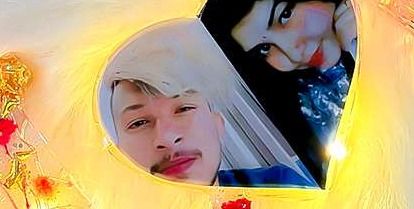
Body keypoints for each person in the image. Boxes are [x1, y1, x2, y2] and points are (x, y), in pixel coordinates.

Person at [200, 0, 356, 184]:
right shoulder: (305, 107)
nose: (292, 51)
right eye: (265, 48)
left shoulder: (391, 7)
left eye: (285, 15)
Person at [109, 78, 317, 187]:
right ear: (119, 154)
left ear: (218, 126)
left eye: (183, 109)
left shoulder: (281, 185)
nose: (167, 138)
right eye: (139, 123)